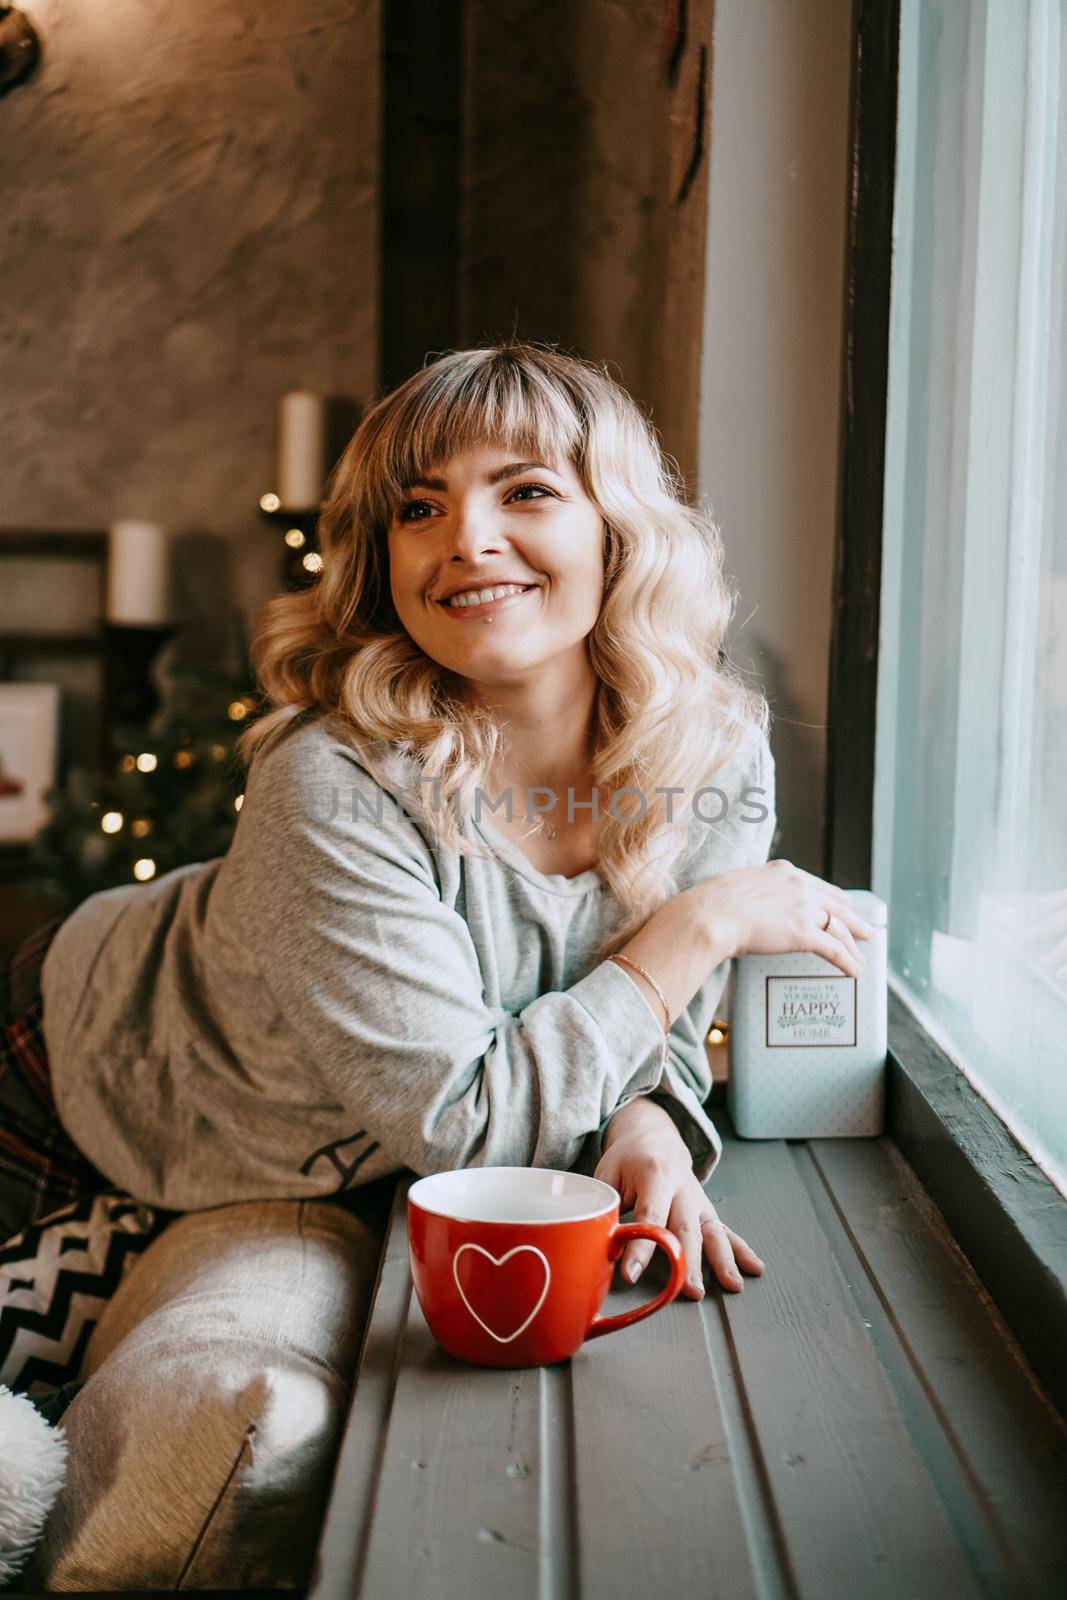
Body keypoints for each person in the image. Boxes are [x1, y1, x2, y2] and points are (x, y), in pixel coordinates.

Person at [3, 341, 874, 1317]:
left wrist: (652, 1119)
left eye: (526, 491)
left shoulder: (712, 758)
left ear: (616, 532)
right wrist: (696, 928)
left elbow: (657, 1025)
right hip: (79, 1071)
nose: (466, 537)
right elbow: (466, 1124)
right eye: (419, 508)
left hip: (338, 1134)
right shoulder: (330, 775)